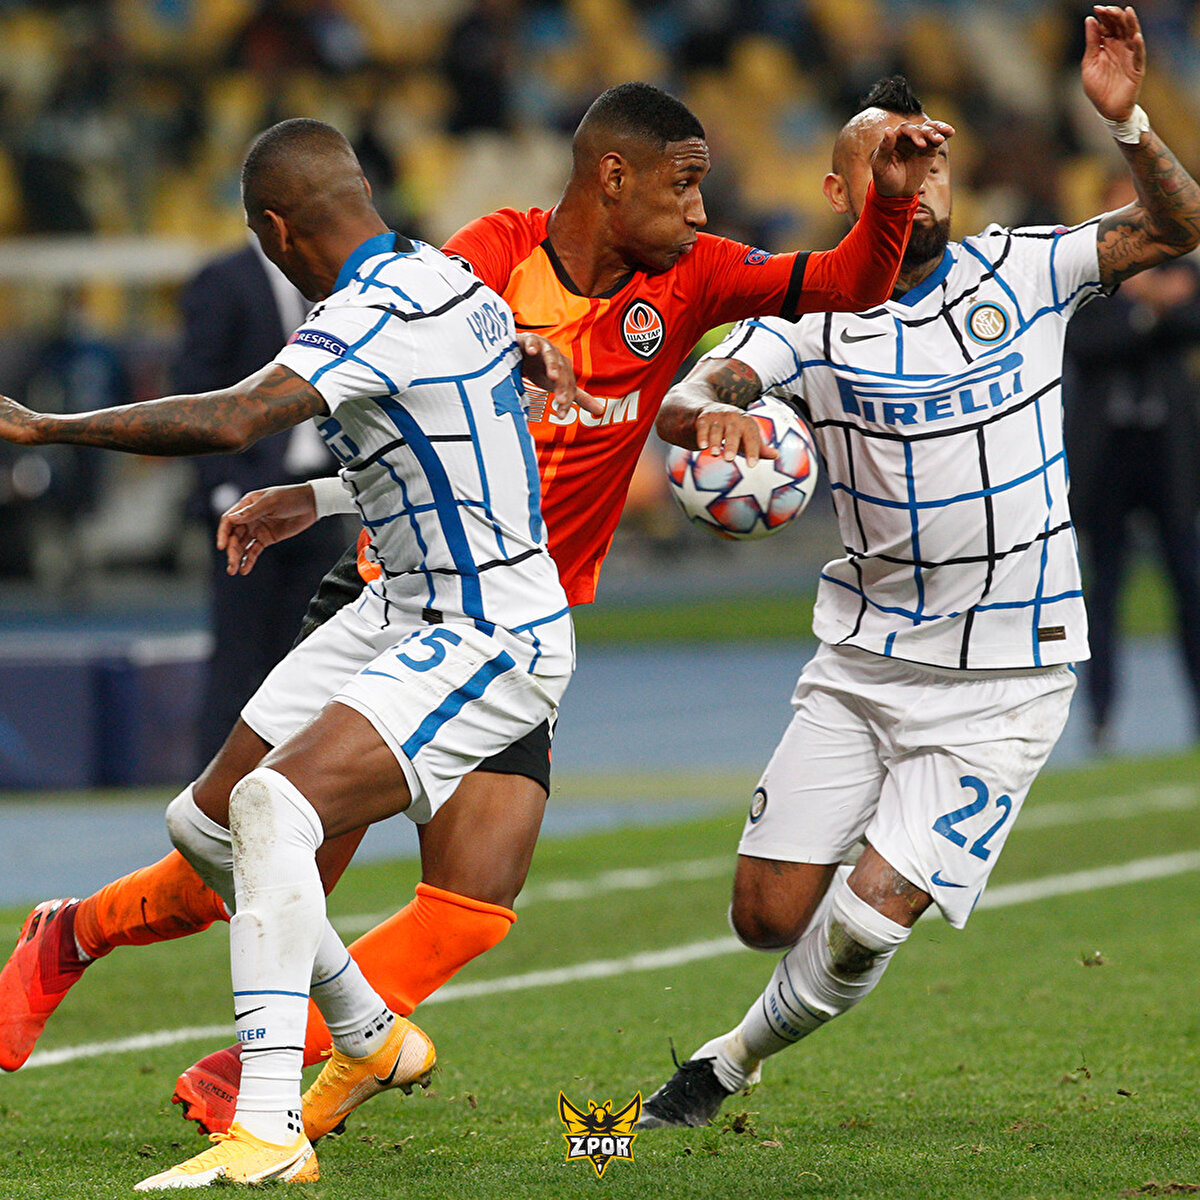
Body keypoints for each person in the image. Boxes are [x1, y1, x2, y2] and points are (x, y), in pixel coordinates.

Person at [0, 82, 949, 1135]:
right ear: (613, 176)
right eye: (684, 185)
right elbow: (417, 410)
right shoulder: (492, 254)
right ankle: (76, 936)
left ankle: (281, 1074)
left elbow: (850, 282)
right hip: (393, 589)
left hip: (511, 619)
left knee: (471, 903)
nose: (699, 211)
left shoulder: (701, 274)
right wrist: (325, 494)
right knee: (241, 857)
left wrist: (891, 202)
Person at [633, 7, 1200, 1130]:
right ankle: (857, 851)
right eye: (890, 159)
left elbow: (1178, 225)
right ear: (841, 191)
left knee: (863, 927)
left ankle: (725, 1065)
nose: (918, 175)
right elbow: (694, 388)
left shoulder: (1026, 270)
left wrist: (1128, 120)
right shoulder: (807, 316)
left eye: (929, 157)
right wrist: (707, 421)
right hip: (865, 658)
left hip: (1006, 678)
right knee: (764, 915)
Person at [0, 117, 586, 1188]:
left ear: (273, 230)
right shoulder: (445, 275)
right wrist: (313, 496)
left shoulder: (372, 308)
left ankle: (269, 1126)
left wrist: (44, 427)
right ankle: (365, 1029)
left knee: (274, 807)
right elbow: (448, 426)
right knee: (206, 824)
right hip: (400, 601)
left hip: (486, 625)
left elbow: (233, 419)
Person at [175, 239, 350, 771]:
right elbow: (195, 385)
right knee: (238, 650)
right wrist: (221, 487)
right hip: (248, 498)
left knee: (313, 655)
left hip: (319, 496)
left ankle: (295, 783)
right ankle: (210, 792)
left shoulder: (334, 276)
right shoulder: (224, 278)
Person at [1063, 174, 1200, 752]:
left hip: (1168, 451)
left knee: (1190, 585)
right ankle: (1101, 717)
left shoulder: (1179, 260)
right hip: (1107, 454)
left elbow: (1193, 323)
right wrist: (1150, 310)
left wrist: (1141, 309)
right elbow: (1085, 345)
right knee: (1103, 592)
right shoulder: (1080, 275)